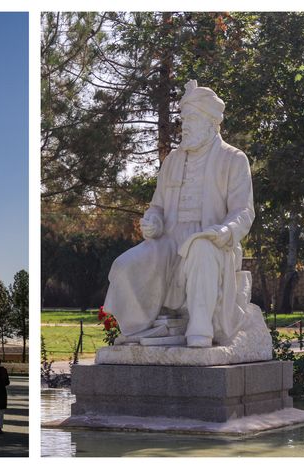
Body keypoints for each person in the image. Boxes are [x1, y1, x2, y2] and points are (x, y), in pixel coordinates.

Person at [104, 80, 266, 349]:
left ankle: (200, 330)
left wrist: (224, 232)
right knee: (124, 265)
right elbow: (157, 206)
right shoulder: (173, 160)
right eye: (183, 120)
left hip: (212, 240)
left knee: (200, 249)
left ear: (210, 122)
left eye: (191, 119)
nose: (185, 126)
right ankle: (141, 329)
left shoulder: (233, 159)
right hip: (169, 241)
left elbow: (243, 211)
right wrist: (153, 220)